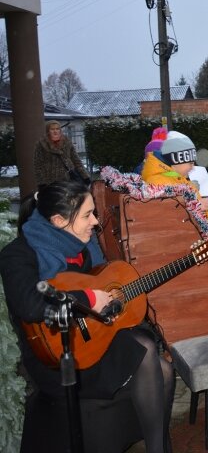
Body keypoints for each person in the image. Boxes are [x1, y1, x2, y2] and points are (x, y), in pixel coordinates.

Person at [0, 181, 174, 453]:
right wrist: (88, 299)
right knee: (146, 347)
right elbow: (30, 305)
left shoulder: (83, 243)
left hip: (91, 337)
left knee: (162, 367)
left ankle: (159, 447)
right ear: (58, 220)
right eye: (87, 215)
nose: (95, 221)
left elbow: (103, 279)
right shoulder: (17, 255)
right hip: (55, 358)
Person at [141, 130, 208, 226]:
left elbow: (201, 223)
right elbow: (167, 222)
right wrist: (196, 206)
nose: (193, 167)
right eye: (190, 163)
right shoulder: (157, 183)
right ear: (176, 161)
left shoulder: (184, 182)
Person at [33, 120, 90, 188]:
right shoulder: (41, 144)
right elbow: (38, 165)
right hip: (50, 180)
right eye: (52, 129)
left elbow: (76, 160)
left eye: (57, 129)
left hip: (69, 178)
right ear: (48, 130)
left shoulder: (67, 142)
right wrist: (41, 182)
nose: (55, 131)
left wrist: (85, 176)